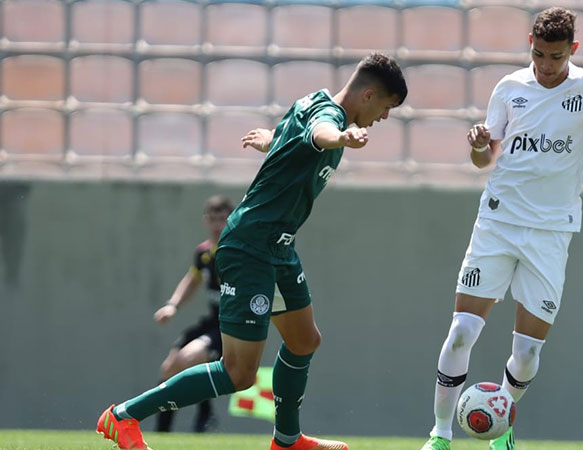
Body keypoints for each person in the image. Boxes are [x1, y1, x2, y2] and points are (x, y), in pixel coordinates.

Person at [96, 52, 408, 450]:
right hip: (250, 247)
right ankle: (123, 416)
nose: (384, 117)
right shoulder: (330, 120)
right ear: (368, 95)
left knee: (304, 341)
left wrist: (271, 141)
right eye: (386, 107)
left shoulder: (310, 100)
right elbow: (319, 134)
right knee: (238, 373)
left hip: (278, 247)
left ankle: (287, 440)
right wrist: (342, 137)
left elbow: (296, 140)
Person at [420, 7, 583, 450]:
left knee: (527, 353)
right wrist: (480, 147)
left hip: (550, 233)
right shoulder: (509, 88)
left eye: (557, 57)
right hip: (498, 222)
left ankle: (501, 428)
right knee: (462, 330)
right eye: (540, 54)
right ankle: (440, 434)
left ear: (573, 51)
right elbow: (485, 160)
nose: (546, 65)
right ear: (530, 43)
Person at [152, 195, 233, 433]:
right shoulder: (204, 253)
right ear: (206, 220)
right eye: (213, 219)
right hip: (210, 322)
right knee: (169, 368)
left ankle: (205, 413)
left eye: (223, 219)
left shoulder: (238, 248)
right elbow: (193, 279)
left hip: (230, 326)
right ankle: (162, 434)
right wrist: (172, 305)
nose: (218, 225)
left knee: (189, 359)